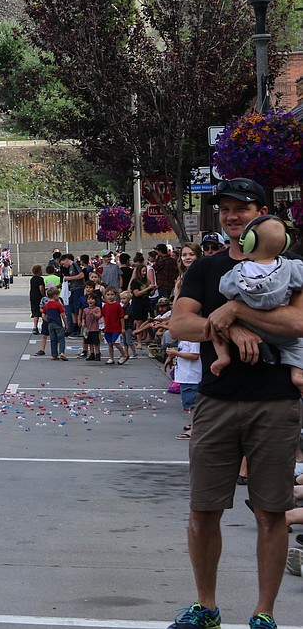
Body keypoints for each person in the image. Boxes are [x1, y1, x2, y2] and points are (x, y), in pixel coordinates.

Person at [167, 178, 302, 629]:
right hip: (216, 399)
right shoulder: (207, 269)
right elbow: (180, 325)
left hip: (276, 401)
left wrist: (239, 311)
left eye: (240, 209)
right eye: (224, 209)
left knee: (271, 512)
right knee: (203, 510)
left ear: (263, 214)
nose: (230, 217)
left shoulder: (294, 265)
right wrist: (225, 329)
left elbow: (299, 322)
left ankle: (263, 614)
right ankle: (206, 607)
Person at [209, 214, 303, 397]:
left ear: (249, 242)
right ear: (285, 244)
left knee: (217, 323)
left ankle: (223, 357)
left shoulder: (238, 271)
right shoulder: (292, 267)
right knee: (297, 345)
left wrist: (236, 307)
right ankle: (298, 373)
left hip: (248, 326)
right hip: (281, 331)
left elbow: (225, 289)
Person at [42, 286, 67, 361]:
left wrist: (48, 320)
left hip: (50, 324)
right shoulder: (58, 305)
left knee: (53, 340)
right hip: (58, 324)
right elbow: (63, 315)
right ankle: (62, 352)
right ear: (55, 296)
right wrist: (66, 324)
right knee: (61, 338)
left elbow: (43, 316)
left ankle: (54, 354)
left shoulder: (46, 305)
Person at [29, 264, 46, 335]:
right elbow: (41, 288)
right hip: (39, 297)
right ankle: (44, 327)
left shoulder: (32, 279)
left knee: (35, 312)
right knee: (43, 311)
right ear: (39, 271)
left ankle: (35, 327)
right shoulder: (40, 279)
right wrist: (44, 295)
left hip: (33, 296)